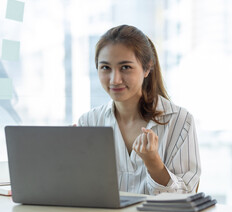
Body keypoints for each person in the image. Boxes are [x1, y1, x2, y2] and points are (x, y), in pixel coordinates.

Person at [78, 25, 201, 195]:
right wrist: (71, 165)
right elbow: (82, 193)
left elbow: (188, 195)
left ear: (147, 68)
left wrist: (154, 163)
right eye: (105, 67)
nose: (115, 79)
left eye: (125, 67)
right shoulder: (88, 122)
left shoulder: (180, 121)